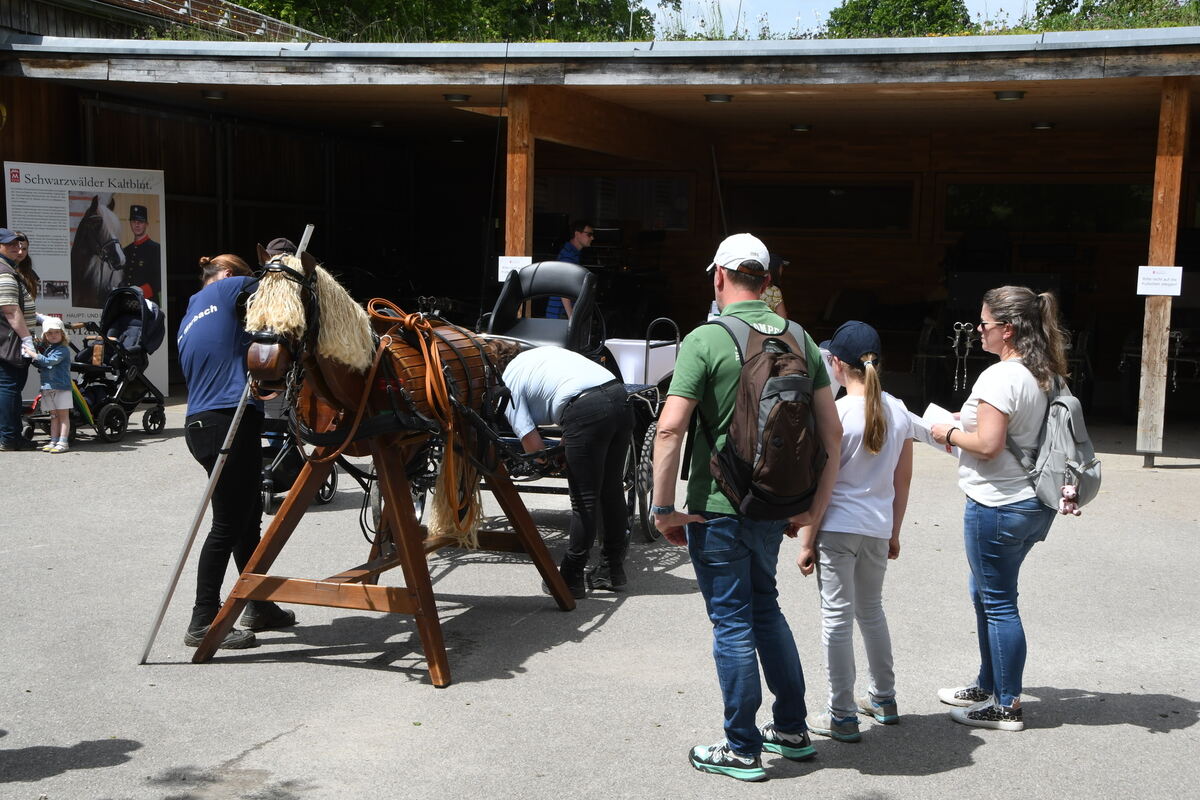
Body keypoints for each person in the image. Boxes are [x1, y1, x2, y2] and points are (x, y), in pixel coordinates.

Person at [651, 233, 842, 782]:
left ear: (719, 276)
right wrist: (811, 510)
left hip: (717, 506)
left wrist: (663, 509)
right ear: (766, 280)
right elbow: (831, 433)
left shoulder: (707, 338)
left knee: (732, 622)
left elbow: (669, 429)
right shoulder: (800, 337)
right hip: (774, 504)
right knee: (765, 610)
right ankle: (792, 730)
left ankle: (741, 748)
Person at [929, 285, 1068, 732]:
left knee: (998, 602)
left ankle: (1006, 705)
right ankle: (988, 685)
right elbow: (1008, 429)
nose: (978, 329)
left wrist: (947, 433)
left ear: (1007, 329)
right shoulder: (1042, 372)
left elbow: (988, 445)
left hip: (997, 505)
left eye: (984, 323)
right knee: (987, 594)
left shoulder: (1000, 376)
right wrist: (962, 420)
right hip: (1030, 503)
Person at [796, 321, 913, 742]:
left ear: (836, 364)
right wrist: (894, 530)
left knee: (836, 618)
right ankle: (884, 697)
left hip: (838, 527)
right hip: (877, 528)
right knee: (871, 611)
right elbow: (902, 479)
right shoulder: (898, 410)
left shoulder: (838, 412)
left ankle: (841, 712)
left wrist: (806, 539)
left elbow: (822, 481)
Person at [177, 253, 296, 649]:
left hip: (202, 422)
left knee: (246, 519)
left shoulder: (190, 313)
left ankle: (259, 605)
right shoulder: (231, 287)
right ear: (228, 274)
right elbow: (277, 285)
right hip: (228, 419)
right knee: (228, 524)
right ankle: (203, 620)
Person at [493, 342, 631, 597]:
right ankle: (612, 570)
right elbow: (570, 395)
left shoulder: (508, 382)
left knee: (583, 499)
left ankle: (570, 575)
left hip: (585, 409)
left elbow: (532, 445)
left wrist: (544, 463)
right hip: (619, 396)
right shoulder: (541, 354)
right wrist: (565, 448)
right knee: (611, 490)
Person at [0, 229, 39, 451]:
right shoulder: (5, 273)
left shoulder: (8, 269)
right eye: (10, 244)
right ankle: (9, 438)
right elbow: (11, 310)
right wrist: (27, 339)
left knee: (8, 387)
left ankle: (10, 435)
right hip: (10, 341)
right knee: (9, 387)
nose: (16, 248)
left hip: (7, 339)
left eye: (18, 244)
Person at [25, 316, 73, 453]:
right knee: (53, 417)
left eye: (56, 332)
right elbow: (42, 364)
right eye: (49, 333)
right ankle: (54, 440)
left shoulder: (63, 349)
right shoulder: (49, 349)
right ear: (45, 336)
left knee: (63, 416)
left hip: (61, 388)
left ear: (62, 334)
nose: (53, 335)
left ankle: (63, 442)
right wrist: (34, 358)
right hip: (47, 388)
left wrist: (33, 354)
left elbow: (49, 361)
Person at [547, 221, 594, 319]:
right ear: (577, 234)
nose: (592, 238)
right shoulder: (568, 255)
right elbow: (564, 285)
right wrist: (571, 316)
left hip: (561, 313)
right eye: (589, 234)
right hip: (561, 314)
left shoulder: (572, 253)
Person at [123, 205, 161, 301]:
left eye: (140, 222)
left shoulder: (156, 248)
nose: (137, 225)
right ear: (130, 224)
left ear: (146, 224)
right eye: (134, 221)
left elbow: (159, 279)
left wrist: (142, 290)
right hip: (127, 301)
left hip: (147, 301)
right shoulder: (126, 250)